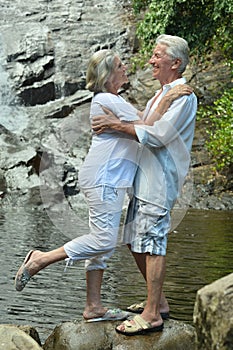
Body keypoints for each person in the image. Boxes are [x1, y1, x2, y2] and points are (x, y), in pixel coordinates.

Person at [14, 48, 192, 323]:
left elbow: (142, 123)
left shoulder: (110, 99)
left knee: (101, 244)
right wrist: (168, 97)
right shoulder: (109, 99)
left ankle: (93, 307)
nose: (126, 68)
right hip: (105, 179)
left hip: (104, 178)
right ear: (108, 74)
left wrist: (154, 104)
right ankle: (41, 259)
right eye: (120, 65)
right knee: (104, 240)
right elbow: (147, 124)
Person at [92, 34, 197, 335]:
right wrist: (156, 104)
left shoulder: (183, 95)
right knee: (133, 239)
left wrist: (113, 125)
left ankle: (152, 315)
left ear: (175, 63)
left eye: (157, 55)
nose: (150, 60)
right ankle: (159, 302)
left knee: (152, 242)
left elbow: (155, 134)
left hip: (159, 180)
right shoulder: (164, 94)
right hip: (145, 177)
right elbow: (143, 121)